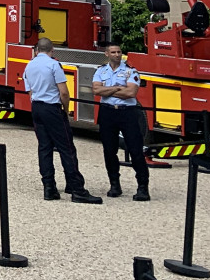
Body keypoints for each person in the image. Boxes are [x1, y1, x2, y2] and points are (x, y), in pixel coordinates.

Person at [23, 37, 102, 203]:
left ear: (36, 51)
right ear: (52, 50)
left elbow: (29, 91)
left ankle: (49, 187)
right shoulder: (53, 65)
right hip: (52, 108)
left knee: (44, 148)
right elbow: (64, 92)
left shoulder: (29, 66)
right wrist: (65, 110)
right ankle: (77, 189)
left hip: (37, 107)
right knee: (66, 148)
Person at [92, 43, 150, 201]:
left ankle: (143, 187)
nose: (117, 55)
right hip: (107, 112)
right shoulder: (101, 70)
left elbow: (131, 92)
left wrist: (108, 89)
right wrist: (118, 88)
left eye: (119, 52)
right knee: (109, 151)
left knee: (136, 150)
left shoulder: (130, 71)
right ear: (106, 54)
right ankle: (114, 185)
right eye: (113, 52)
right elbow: (96, 91)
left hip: (128, 113)